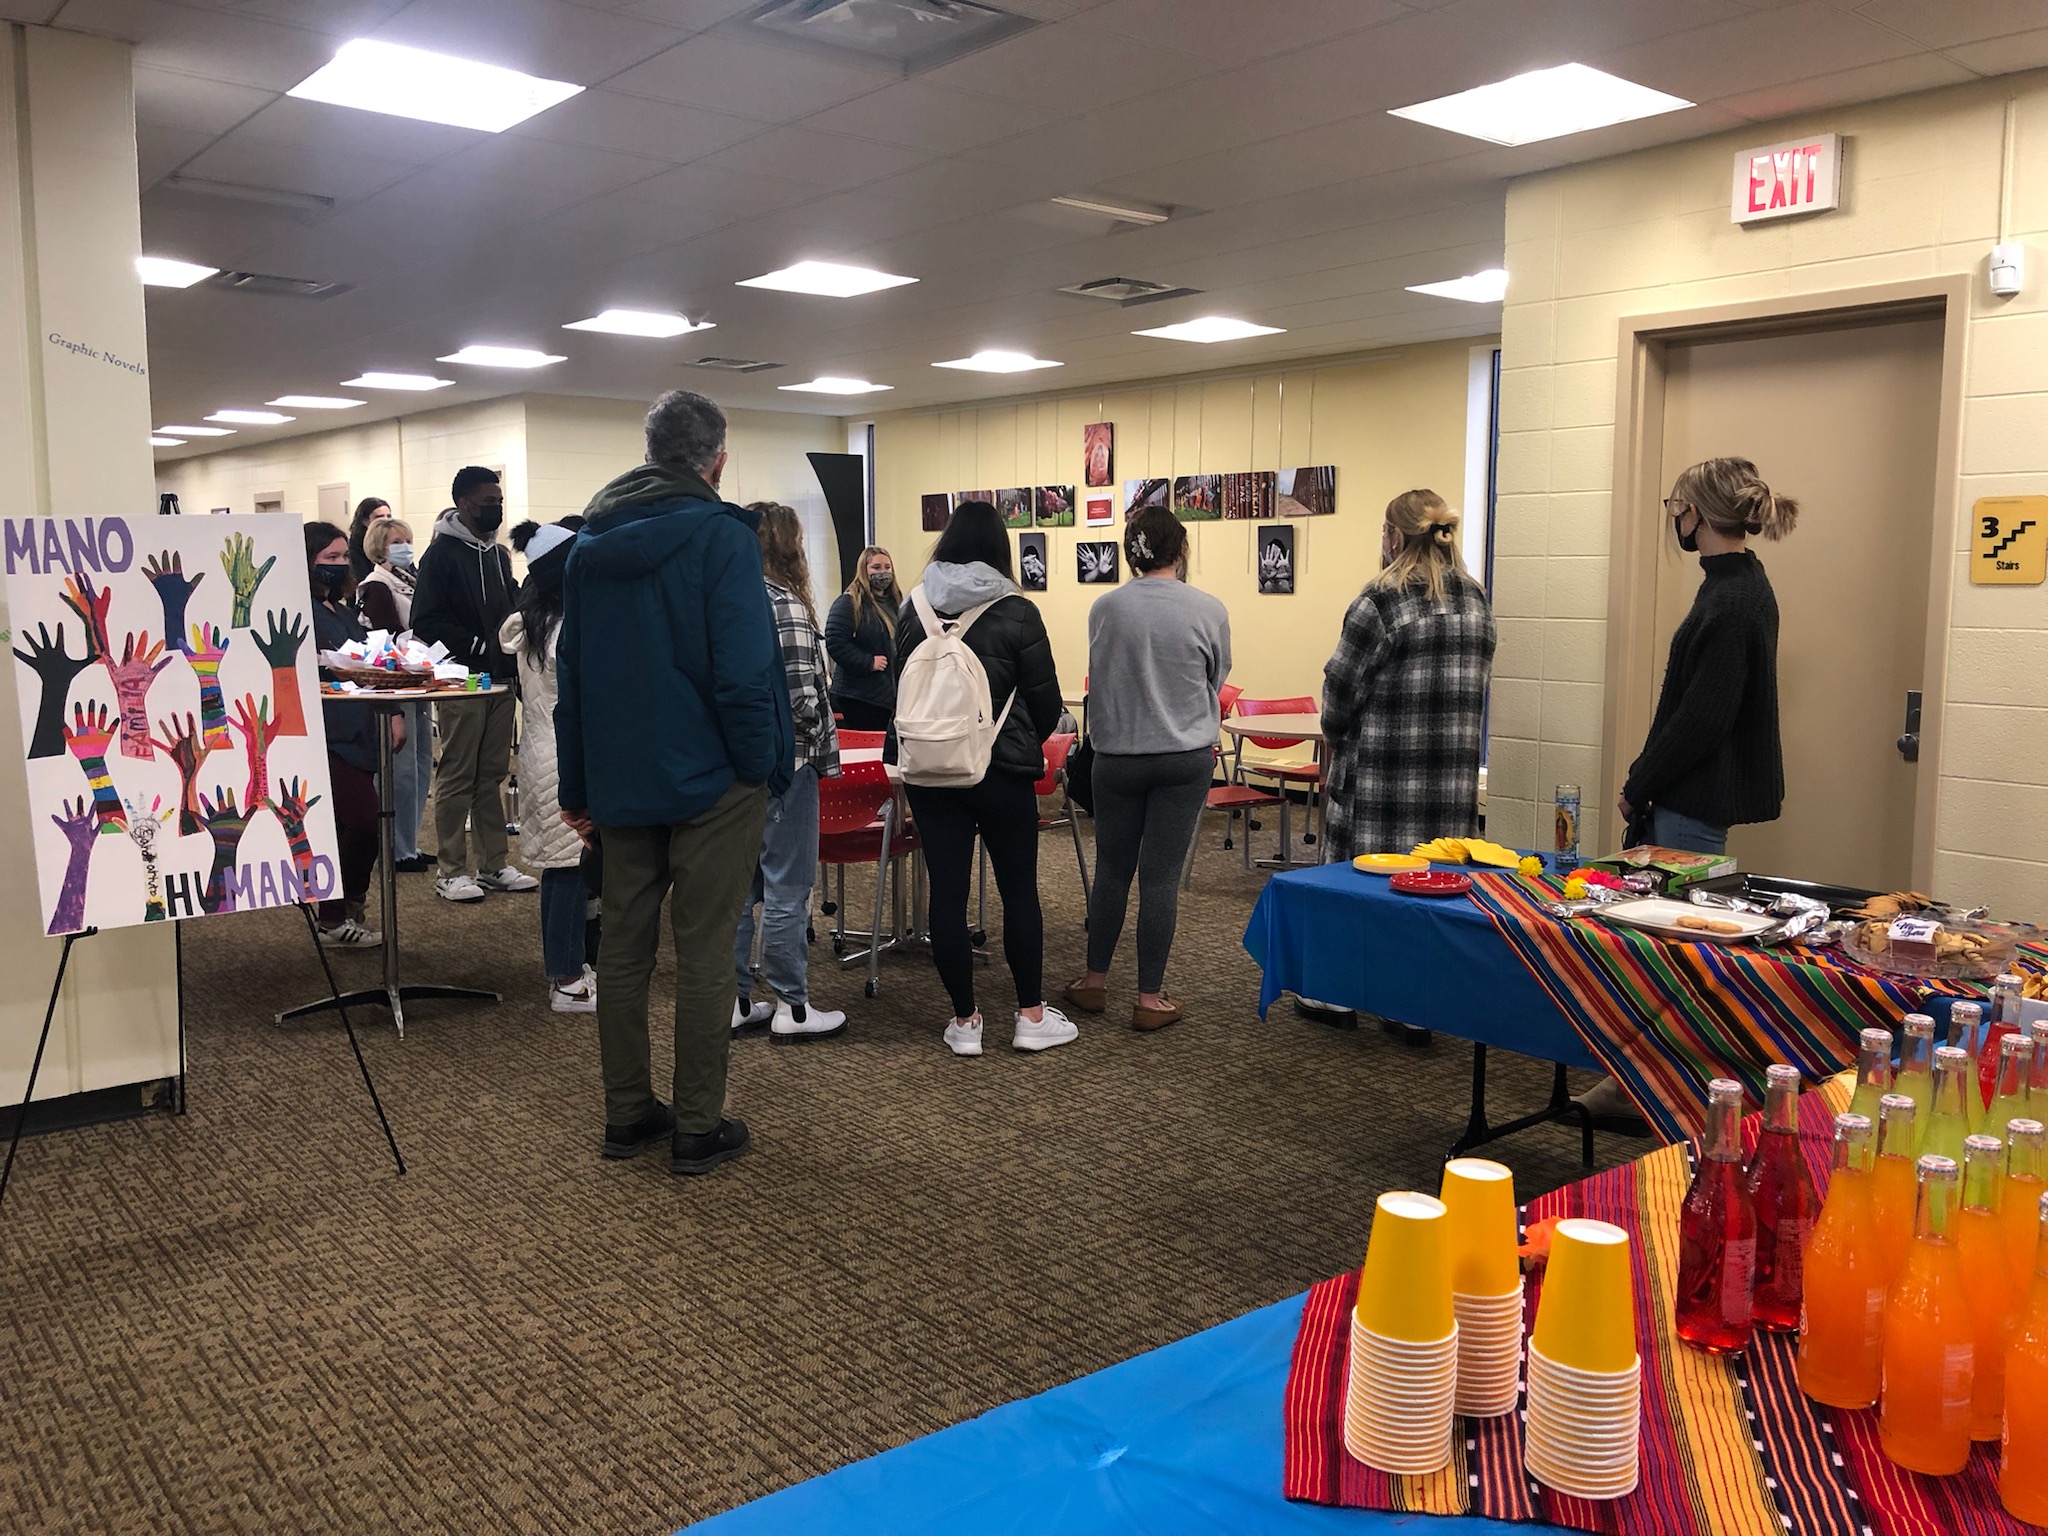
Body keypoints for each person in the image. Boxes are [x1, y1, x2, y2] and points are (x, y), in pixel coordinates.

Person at [556, 388, 792, 1177]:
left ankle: (627, 1115)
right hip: (714, 780)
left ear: (648, 451)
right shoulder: (723, 538)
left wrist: (578, 787)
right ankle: (697, 1125)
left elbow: (574, 680)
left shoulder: (588, 545)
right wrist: (761, 765)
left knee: (622, 948)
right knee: (702, 950)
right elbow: (744, 674)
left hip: (623, 780)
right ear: (717, 461)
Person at [891, 500, 1072, 1059]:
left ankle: (965, 1022)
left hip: (929, 772)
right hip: (1000, 771)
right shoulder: (1018, 611)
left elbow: (895, 693)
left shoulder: (911, 606)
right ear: (1001, 549)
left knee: (946, 892)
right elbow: (1047, 709)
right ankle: (1030, 1016)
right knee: (1018, 889)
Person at [1063, 507, 1230, 1032]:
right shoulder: (1209, 608)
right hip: (1183, 758)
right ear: (1180, 552)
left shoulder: (1104, 607)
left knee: (1113, 869)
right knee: (1160, 878)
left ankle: (1093, 983)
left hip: (1115, 758)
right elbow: (1216, 675)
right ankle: (1149, 998)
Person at [1619, 456, 1797, 854]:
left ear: (1694, 512)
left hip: (1692, 802)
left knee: (1679, 915)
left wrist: (1638, 784)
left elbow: (1703, 718)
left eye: (1676, 507)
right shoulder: (1734, 583)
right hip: (1688, 797)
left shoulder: (1732, 600)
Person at [1321, 489, 1495, 862]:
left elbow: (1339, 694)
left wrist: (1335, 736)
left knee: (1367, 901)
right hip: (1452, 794)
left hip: (1380, 798)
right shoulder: (1477, 601)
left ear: (1395, 538)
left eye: (1385, 533)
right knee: (1439, 897)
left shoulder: (1381, 600)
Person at [731, 502, 844, 1043]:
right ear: (785, 546)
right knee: (786, 887)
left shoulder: (723, 602)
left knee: (738, 891)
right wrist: (826, 751)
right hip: (789, 764)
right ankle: (792, 1007)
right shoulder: (786, 605)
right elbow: (805, 697)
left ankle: (735, 1000)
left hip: (734, 770)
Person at [409, 465, 537, 903]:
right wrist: (477, 646)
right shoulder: (440, 554)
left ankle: (494, 864)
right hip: (463, 681)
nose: (496, 510)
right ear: (464, 503)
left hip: (501, 680)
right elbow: (424, 620)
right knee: (458, 774)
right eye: (488, 503)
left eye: (499, 502)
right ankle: (450, 869)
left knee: (493, 774)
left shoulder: (498, 556)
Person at [501, 517, 598, 1015]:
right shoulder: (564, 631)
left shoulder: (538, 623)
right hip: (562, 757)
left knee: (574, 870)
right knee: (567, 872)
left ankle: (577, 966)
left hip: (547, 752)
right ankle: (564, 978)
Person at [305, 521, 397, 947]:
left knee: (363, 826)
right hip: (324, 736)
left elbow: (372, 664)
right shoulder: (301, 613)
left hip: (359, 732)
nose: (340, 565)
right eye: (330, 558)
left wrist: (393, 708)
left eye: (344, 557)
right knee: (356, 822)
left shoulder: (341, 613)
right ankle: (333, 914)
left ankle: (347, 905)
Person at [357, 516, 433, 872]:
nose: (405, 546)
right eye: (396, 541)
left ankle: (411, 841)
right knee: (399, 770)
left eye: (408, 539)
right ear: (379, 546)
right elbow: (390, 634)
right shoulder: (376, 585)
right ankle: (396, 847)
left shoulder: (412, 580)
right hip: (395, 681)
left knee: (420, 765)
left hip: (421, 678)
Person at [824, 546, 899, 732]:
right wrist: (867, 662)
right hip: (860, 696)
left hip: (889, 694)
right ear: (864, 570)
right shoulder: (849, 602)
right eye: (876, 567)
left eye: (887, 567)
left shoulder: (895, 602)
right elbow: (835, 641)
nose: (883, 572)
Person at [347, 496, 390, 582]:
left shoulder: (393, 544)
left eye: (389, 516)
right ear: (365, 521)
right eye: (379, 517)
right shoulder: (355, 550)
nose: (386, 521)